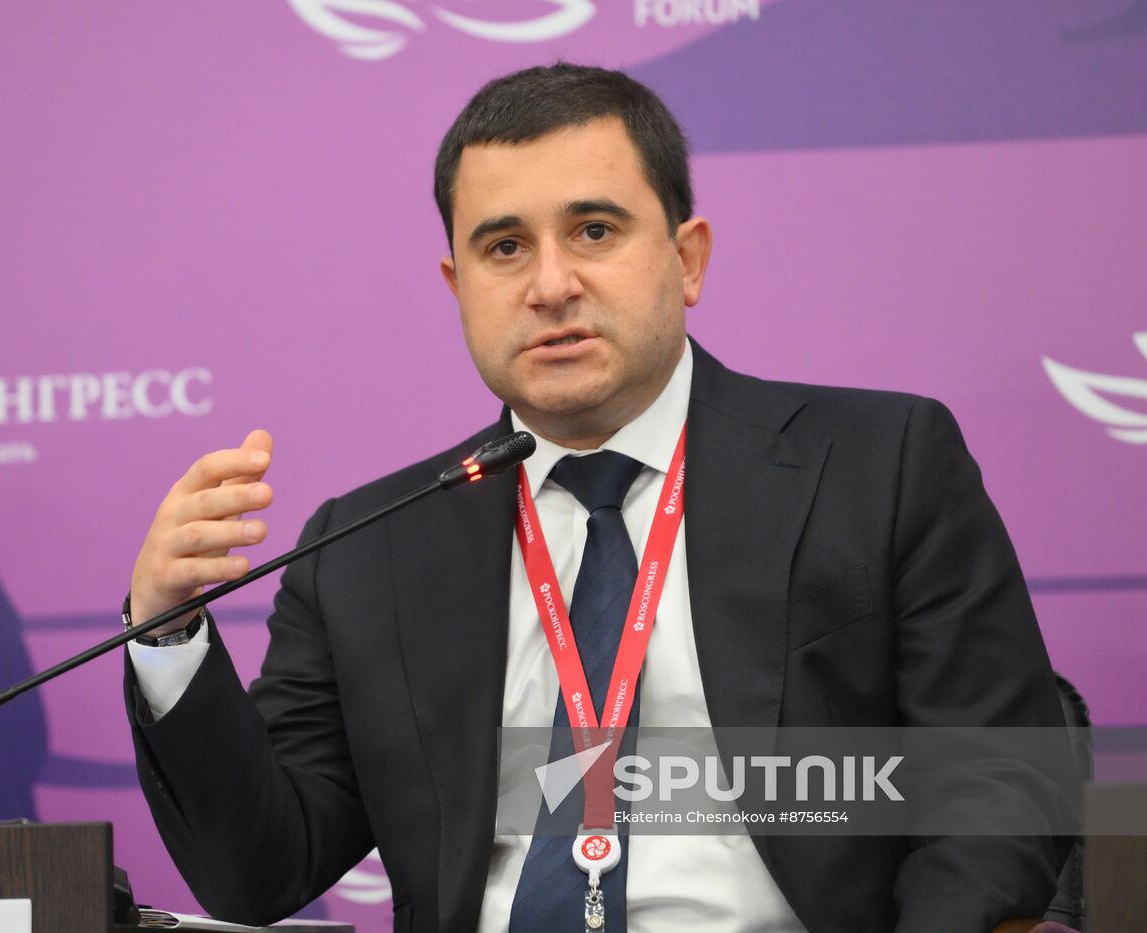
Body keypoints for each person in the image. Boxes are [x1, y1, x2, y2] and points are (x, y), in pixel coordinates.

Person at [123, 64, 1072, 933]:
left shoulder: (876, 465)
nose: (551, 284)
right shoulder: (368, 549)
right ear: (458, 286)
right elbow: (262, 868)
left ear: (688, 258)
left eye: (594, 231)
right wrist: (167, 631)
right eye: (504, 247)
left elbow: (995, 785)